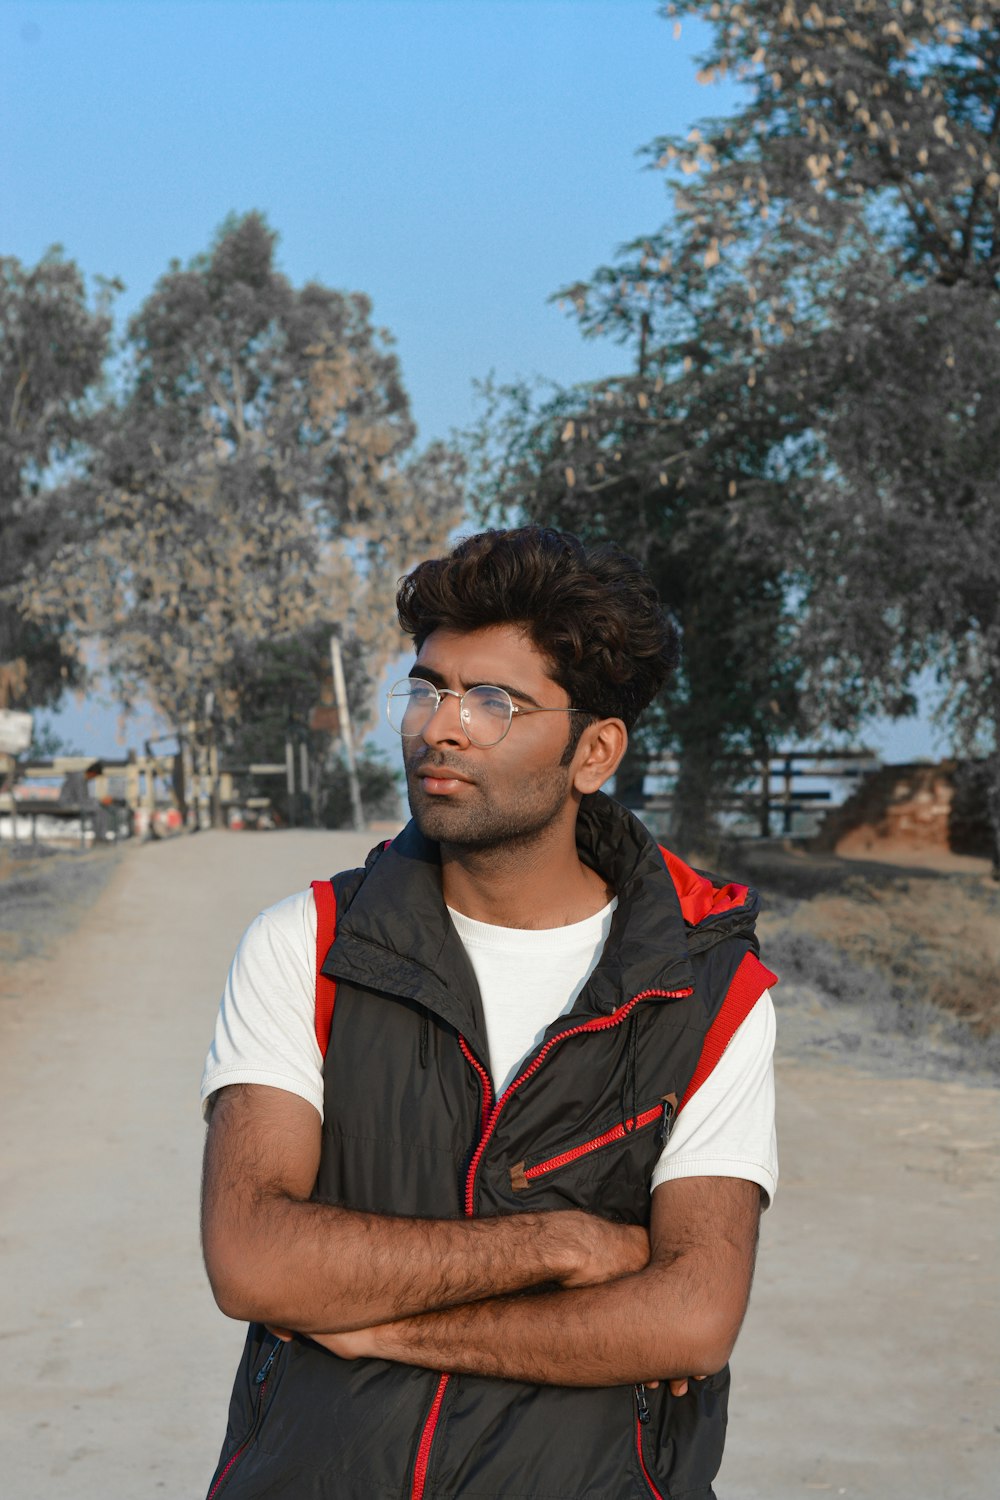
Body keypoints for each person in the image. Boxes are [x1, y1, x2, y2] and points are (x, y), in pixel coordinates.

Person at [200, 526, 777, 1500]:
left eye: (493, 701)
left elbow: (689, 1317)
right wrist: (564, 1244)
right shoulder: (307, 946)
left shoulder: (707, 992)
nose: (439, 727)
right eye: (426, 688)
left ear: (593, 752)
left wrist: (382, 1324)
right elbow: (253, 1257)